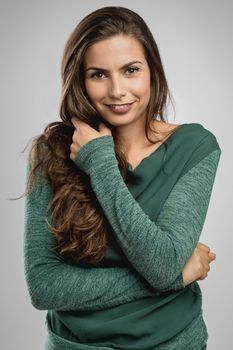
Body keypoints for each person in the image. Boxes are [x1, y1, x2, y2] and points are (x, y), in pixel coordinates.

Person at [23, 6, 221, 350]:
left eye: (130, 70)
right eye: (98, 74)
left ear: (152, 72)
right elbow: (44, 286)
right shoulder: (52, 151)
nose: (117, 90)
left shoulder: (195, 147)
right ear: (80, 80)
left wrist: (99, 165)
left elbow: (161, 265)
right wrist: (177, 276)